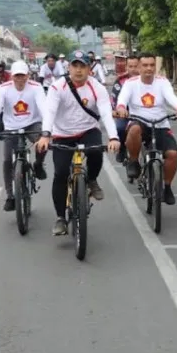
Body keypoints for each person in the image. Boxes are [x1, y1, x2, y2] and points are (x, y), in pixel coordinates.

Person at [36, 50, 120, 236]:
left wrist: (113, 137)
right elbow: (49, 112)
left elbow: (106, 112)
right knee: (60, 173)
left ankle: (91, 180)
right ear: (69, 67)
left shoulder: (96, 87)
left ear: (89, 69)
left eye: (83, 66)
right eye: (75, 65)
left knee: (97, 152)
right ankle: (60, 218)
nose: (79, 70)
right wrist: (45, 134)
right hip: (62, 134)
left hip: (88, 130)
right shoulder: (58, 88)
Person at [115, 53, 177, 205]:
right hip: (140, 122)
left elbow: (171, 97)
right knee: (133, 130)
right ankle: (133, 162)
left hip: (160, 124)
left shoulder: (162, 82)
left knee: (172, 154)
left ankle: (166, 187)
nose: (149, 68)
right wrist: (121, 107)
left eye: (152, 65)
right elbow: (122, 98)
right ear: (139, 67)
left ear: (155, 66)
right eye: (145, 65)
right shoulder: (131, 83)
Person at [0, 61, 49, 212]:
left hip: (32, 124)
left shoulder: (36, 88)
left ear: (28, 75)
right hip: (11, 127)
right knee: (7, 160)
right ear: (12, 76)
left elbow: (44, 109)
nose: (20, 80)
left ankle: (38, 165)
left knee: (42, 144)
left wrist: (47, 131)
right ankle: (10, 196)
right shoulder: (3, 89)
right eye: (17, 76)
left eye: (23, 76)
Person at [110, 55, 139, 163]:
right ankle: (122, 148)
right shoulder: (120, 81)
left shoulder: (148, 80)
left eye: (136, 66)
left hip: (143, 114)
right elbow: (113, 98)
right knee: (120, 128)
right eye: (130, 66)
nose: (133, 69)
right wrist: (115, 110)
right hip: (124, 114)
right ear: (126, 67)